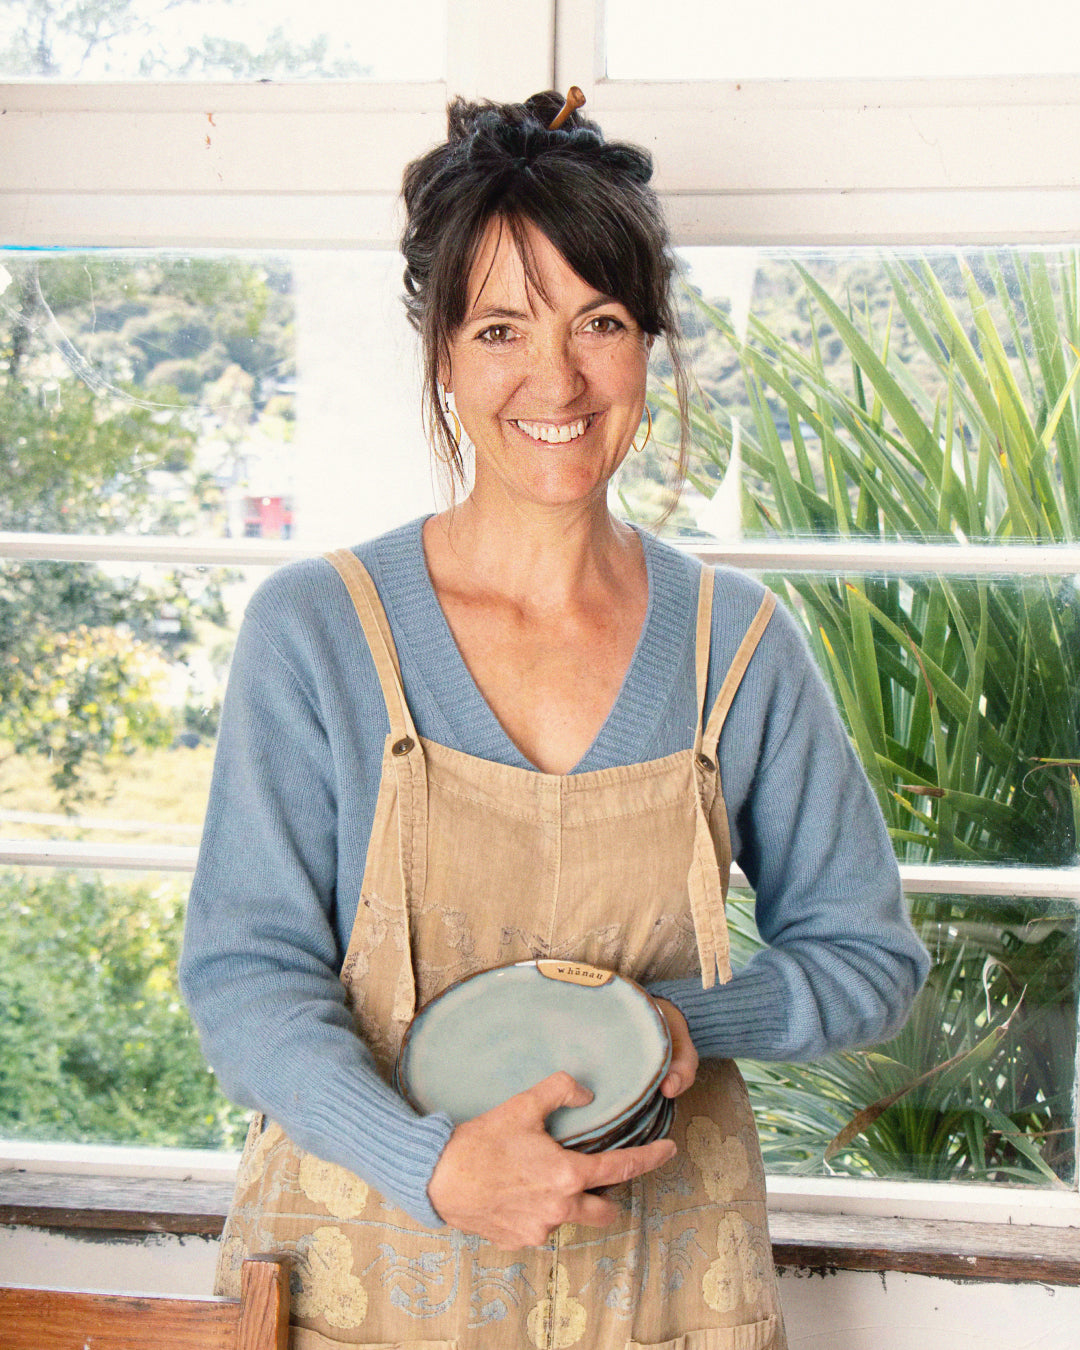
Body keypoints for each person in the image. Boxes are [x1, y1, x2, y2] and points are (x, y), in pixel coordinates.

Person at [180, 89, 929, 1350]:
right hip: (367, 1279)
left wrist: (675, 1024)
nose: (557, 378)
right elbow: (242, 975)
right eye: (499, 329)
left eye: (601, 322)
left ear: (650, 342)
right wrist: (429, 1165)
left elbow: (871, 961)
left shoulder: (736, 645)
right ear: (441, 354)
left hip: (665, 1289)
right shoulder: (315, 631)